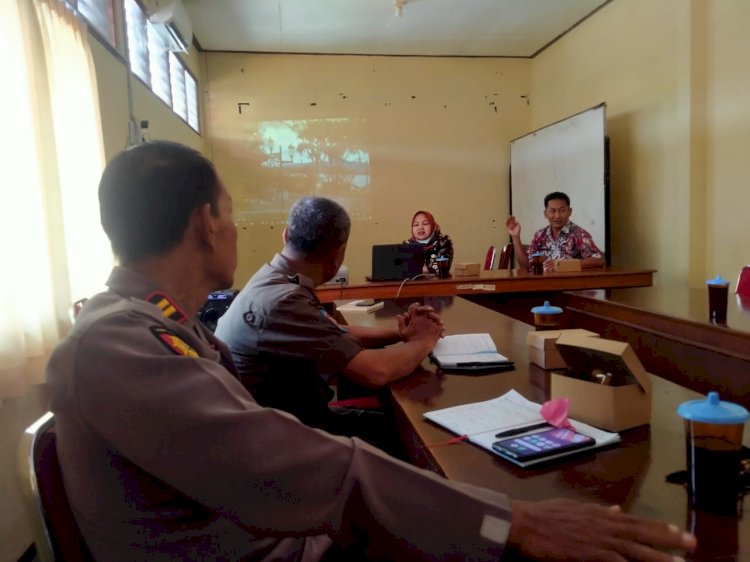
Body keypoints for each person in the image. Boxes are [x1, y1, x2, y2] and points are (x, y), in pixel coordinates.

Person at [46, 141, 696, 561]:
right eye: (230, 211)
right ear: (204, 223)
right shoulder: (119, 343)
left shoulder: (146, 326)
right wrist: (511, 524)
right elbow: (289, 463)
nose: (234, 227)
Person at [215, 197, 443, 449]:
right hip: (282, 443)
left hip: (276, 425)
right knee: (420, 440)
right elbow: (375, 372)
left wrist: (398, 333)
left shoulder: (273, 278)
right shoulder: (285, 301)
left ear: (286, 234)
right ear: (337, 255)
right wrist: (425, 340)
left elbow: (336, 332)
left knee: (397, 426)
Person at [506, 191, 605, 272]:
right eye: (552, 211)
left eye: (562, 210)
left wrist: (563, 265)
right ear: (545, 213)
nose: (557, 216)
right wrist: (515, 237)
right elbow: (525, 265)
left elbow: (599, 260)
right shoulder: (540, 235)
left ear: (570, 211)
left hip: (570, 288)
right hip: (543, 286)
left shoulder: (578, 234)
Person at [404, 210, 454, 275]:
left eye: (425, 224)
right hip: (412, 284)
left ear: (432, 225)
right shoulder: (407, 244)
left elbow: (442, 268)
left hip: (438, 283)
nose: (420, 228)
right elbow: (402, 269)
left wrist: (416, 269)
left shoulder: (443, 241)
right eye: (416, 225)